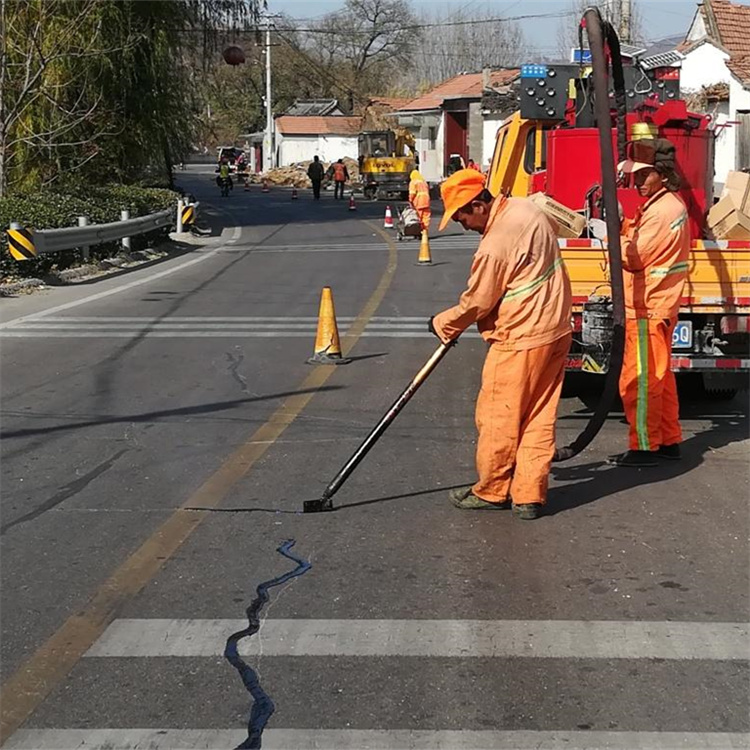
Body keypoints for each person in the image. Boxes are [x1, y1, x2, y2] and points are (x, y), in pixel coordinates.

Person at [430, 169, 572, 520]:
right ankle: (528, 495)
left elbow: (478, 300)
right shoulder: (528, 210)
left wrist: (444, 324)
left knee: (499, 417)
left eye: (461, 215)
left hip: (520, 337)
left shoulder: (495, 244)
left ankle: (493, 490)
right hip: (555, 329)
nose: (462, 223)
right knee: (538, 416)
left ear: (478, 204)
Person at [610, 138, 689, 467]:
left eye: (644, 176)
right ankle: (669, 440)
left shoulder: (661, 212)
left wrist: (610, 235)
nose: (637, 183)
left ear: (662, 173)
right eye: (635, 177)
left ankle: (644, 446)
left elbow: (635, 257)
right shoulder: (667, 205)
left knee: (640, 380)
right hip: (660, 305)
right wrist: (626, 225)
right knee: (661, 378)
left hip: (647, 306)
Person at [408, 169, 431, 235]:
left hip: (419, 201)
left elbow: (412, 193)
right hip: (426, 201)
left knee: (418, 217)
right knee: (426, 217)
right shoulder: (424, 182)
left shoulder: (413, 182)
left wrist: (410, 200)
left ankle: (419, 231)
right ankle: (425, 231)